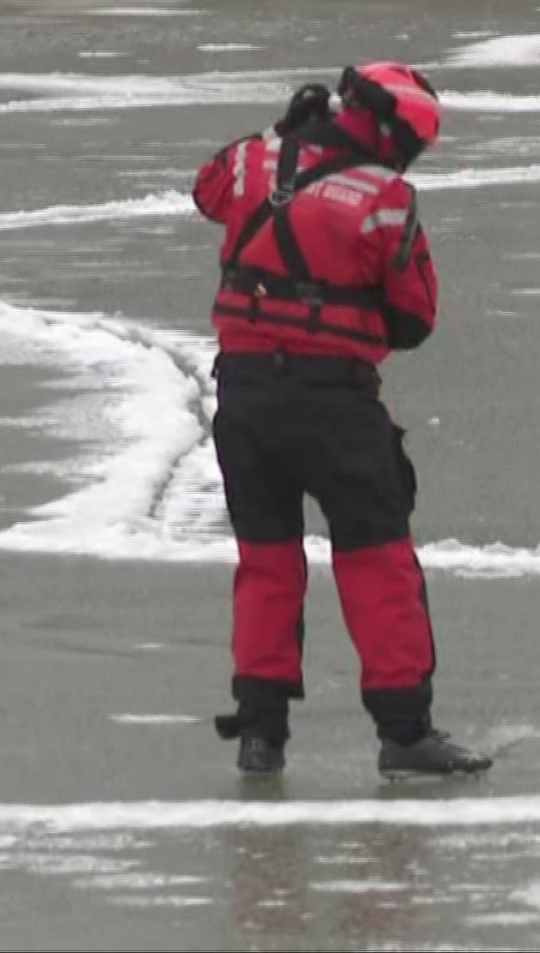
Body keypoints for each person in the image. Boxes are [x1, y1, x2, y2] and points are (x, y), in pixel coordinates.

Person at [191, 62, 491, 778]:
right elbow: (416, 316)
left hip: (245, 399)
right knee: (376, 561)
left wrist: (276, 132)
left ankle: (260, 734)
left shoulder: (252, 161)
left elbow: (205, 190)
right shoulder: (386, 199)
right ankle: (404, 733)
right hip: (336, 405)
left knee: (266, 561)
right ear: (395, 135)